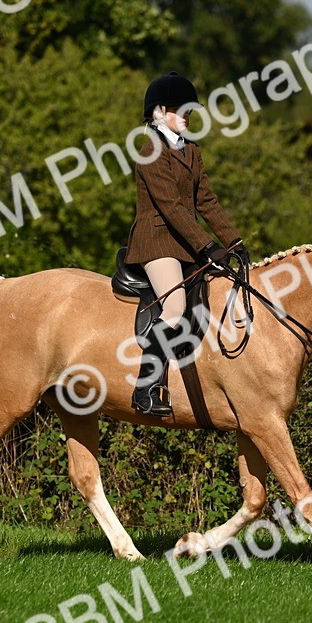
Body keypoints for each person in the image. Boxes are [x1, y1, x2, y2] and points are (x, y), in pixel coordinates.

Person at [124, 72, 248, 416]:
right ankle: (146, 388)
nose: (187, 118)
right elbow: (172, 207)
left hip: (186, 242)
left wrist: (234, 241)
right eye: (182, 111)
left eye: (190, 113)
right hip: (156, 240)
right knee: (176, 307)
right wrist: (208, 247)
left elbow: (207, 200)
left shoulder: (191, 150)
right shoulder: (149, 150)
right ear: (160, 112)